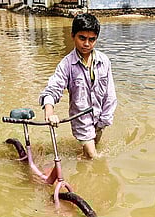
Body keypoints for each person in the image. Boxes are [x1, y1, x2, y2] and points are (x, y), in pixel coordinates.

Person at [39, 13, 117, 159]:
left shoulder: (104, 61)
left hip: (101, 117)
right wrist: (49, 113)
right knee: (95, 158)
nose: (87, 44)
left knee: (88, 156)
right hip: (81, 120)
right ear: (73, 36)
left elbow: (110, 93)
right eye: (82, 38)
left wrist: (106, 118)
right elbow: (52, 89)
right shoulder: (67, 64)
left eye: (91, 39)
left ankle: (82, 165)